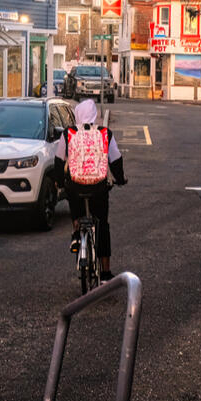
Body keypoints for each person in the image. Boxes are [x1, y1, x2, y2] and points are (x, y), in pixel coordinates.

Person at [58, 98, 126, 277]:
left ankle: (76, 234)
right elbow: (116, 159)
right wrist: (120, 179)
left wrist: (59, 182)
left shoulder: (68, 133)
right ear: (95, 116)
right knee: (102, 224)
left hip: (75, 187)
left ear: (78, 115)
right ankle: (105, 271)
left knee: (75, 206)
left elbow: (58, 161)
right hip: (98, 188)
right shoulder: (105, 133)